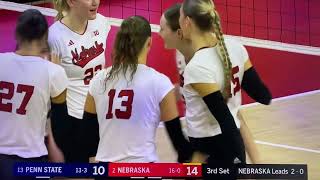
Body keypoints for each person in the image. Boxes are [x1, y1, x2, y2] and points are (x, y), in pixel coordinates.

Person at [159, 3, 271, 164]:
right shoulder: (231, 47)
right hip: (215, 142)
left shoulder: (198, 65)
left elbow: (228, 117)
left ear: (183, 27)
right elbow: (262, 96)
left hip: (214, 144)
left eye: (163, 28)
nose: (159, 32)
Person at [81, 16, 192, 163]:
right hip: (143, 169)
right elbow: (178, 142)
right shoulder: (160, 83)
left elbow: (88, 138)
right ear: (149, 42)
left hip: (107, 170)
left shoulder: (98, 80)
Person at [0, 9, 68, 179]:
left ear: (17, 34)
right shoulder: (54, 72)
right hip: (31, 160)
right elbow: (59, 121)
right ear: (45, 37)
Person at [48, 0, 111, 162]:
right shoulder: (55, 36)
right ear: (71, 2)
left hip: (101, 112)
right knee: (79, 173)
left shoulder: (102, 23)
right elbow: (51, 84)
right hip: (74, 118)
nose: (95, 2)